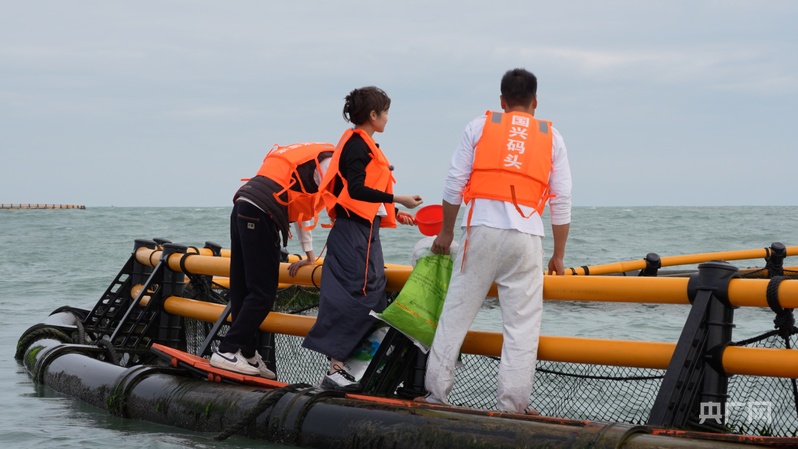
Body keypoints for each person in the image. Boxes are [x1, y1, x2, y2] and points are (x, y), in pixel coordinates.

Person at [417, 68, 572, 414]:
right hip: (527, 237)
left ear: (502, 101)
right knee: (521, 326)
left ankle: (436, 396)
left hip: (481, 231)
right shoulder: (552, 137)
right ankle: (512, 407)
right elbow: (562, 199)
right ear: (535, 102)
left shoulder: (479, 126)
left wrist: (446, 231)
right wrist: (559, 254)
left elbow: (454, 182)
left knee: (456, 314)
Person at [302, 86, 423, 391]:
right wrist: (398, 198)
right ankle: (337, 368)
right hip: (355, 234)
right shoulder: (358, 145)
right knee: (363, 293)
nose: (388, 118)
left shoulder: (360, 143)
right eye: (386, 112)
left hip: (360, 231)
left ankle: (345, 368)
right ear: (373, 115)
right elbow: (355, 190)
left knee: (365, 293)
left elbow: (360, 194)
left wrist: (395, 211)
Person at [210, 142, 333, 378]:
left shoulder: (310, 160)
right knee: (262, 292)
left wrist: (309, 256)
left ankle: (246, 352)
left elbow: (303, 208)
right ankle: (228, 350)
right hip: (261, 212)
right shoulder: (329, 163)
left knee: (243, 287)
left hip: (243, 204)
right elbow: (314, 207)